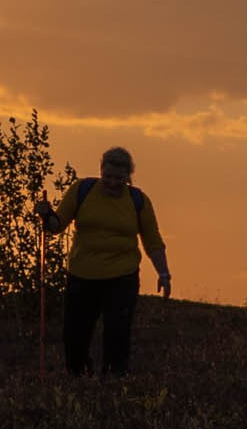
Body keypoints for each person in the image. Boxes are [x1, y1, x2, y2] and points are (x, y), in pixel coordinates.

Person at [36, 145, 170, 376]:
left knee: (117, 332)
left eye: (119, 178)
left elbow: (153, 240)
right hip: (81, 274)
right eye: (107, 177)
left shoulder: (138, 200)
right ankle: (77, 374)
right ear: (100, 172)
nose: (112, 183)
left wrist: (164, 273)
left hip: (122, 276)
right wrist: (46, 214)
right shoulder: (82, 190)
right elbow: (57, 226)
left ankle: (113, 380)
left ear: (128, 177)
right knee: (74, 334)